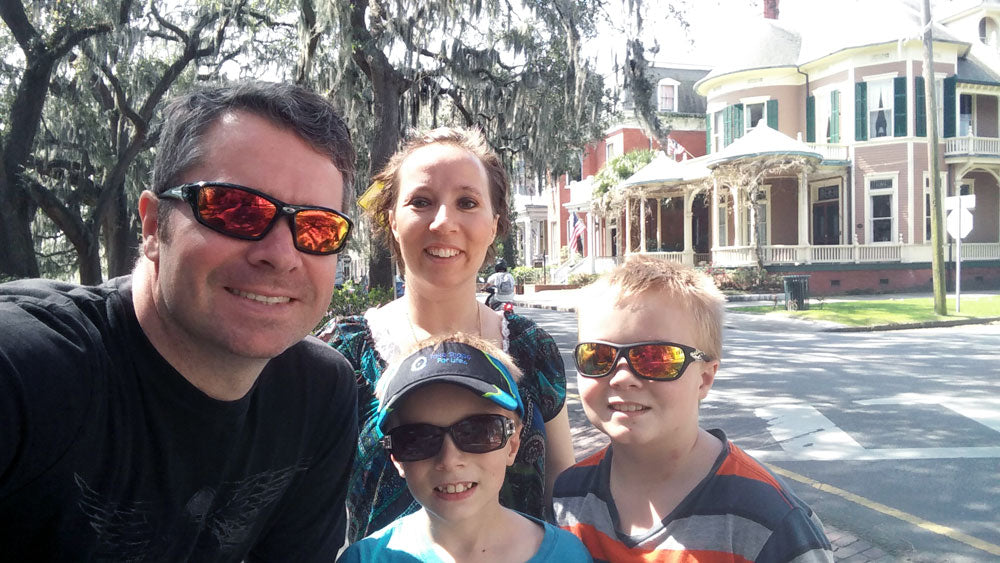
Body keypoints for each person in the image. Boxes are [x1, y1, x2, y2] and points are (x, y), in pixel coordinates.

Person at [0, 82, 359, 561]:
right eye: (235, 209)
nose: (280, 255)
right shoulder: (28, 370)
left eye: (317, 228)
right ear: (152, 227)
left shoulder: (318, 392)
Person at [316, 126, 575, 543]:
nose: (443, 222)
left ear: (494, 225)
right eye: (421, 202)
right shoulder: (344, 354)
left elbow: (563, 496)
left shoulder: (532, 351)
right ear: (393, 222)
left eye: (467, 203)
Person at [553, 256, 834, 562]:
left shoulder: (770, 522)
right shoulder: (569, 497)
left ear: (704, 378)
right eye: (598, 356)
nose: (622, 377)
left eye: (657, 358)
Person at [338, 335, 591, 562]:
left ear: (513, 444)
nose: (449, 460)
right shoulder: (365, 558)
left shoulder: (568, 555)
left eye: (478, 431)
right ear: (396, 457)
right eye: (417, 438)